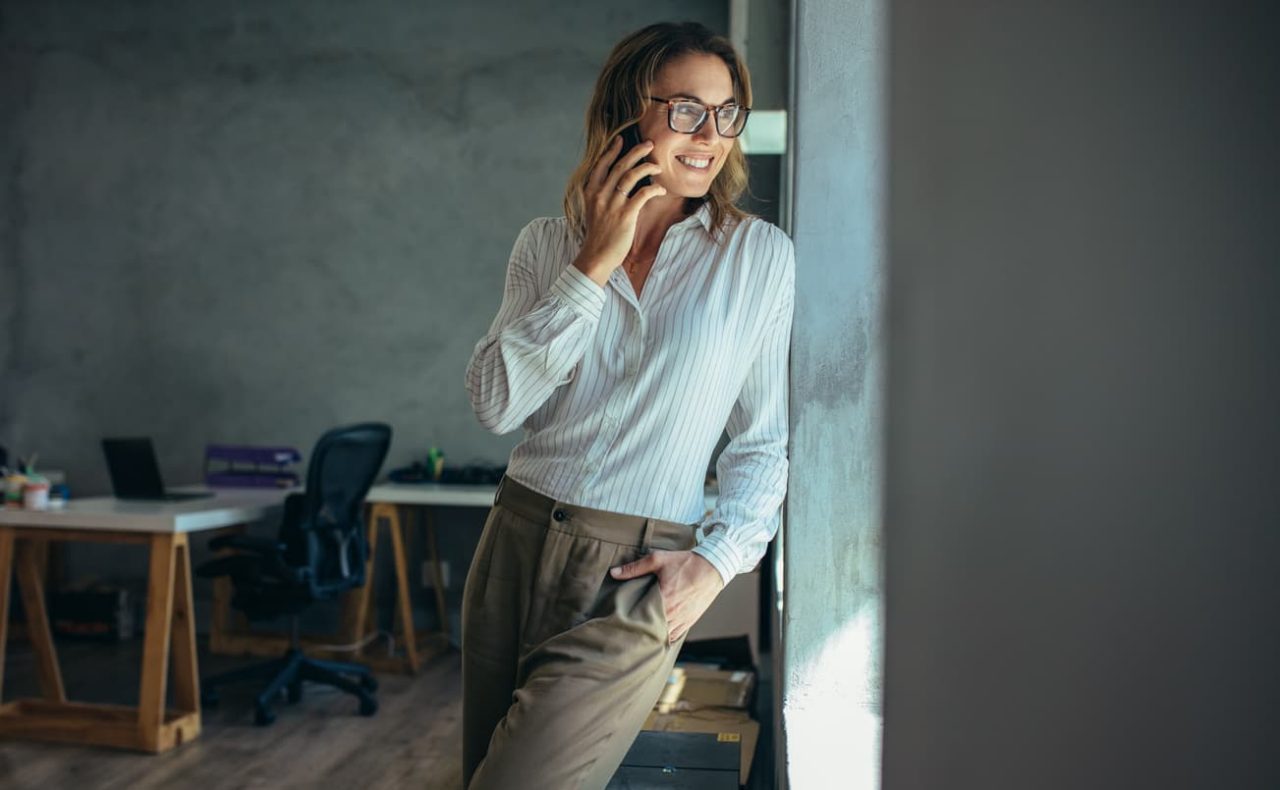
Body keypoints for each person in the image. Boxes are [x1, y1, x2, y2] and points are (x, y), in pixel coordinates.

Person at [462, 20, 794, 790]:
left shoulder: (758, 260)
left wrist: (715, 566)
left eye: (725, 112)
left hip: (635, 576)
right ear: (627, 113)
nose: (709, 134)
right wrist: (592, 266)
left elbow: (761, 442)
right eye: (684, 109)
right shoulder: (548, 244)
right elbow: (496, 405)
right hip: (513, 541)